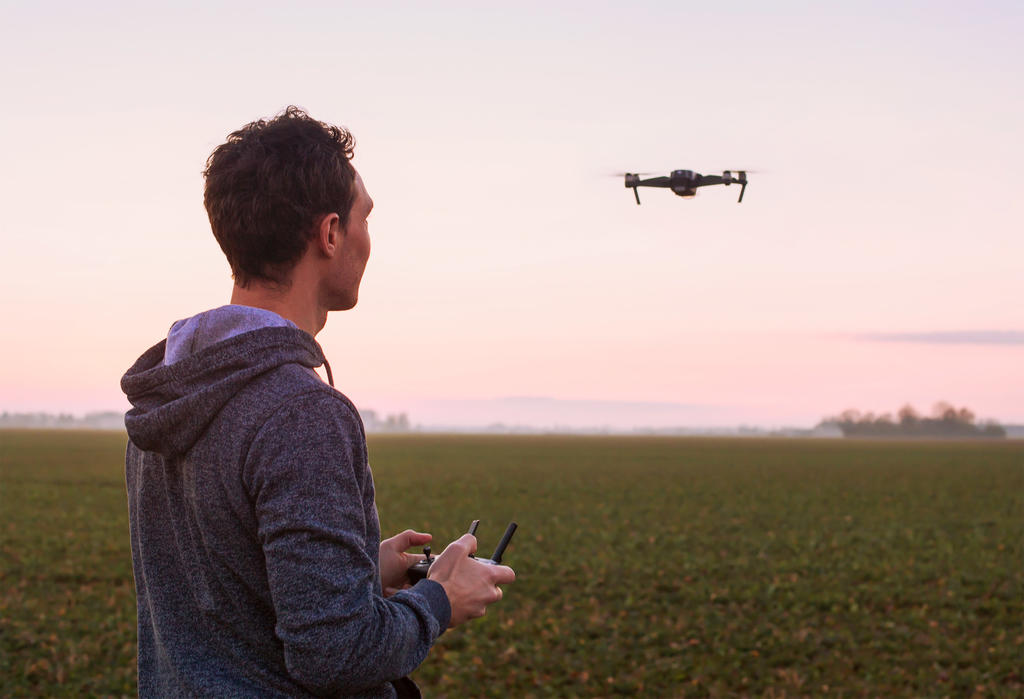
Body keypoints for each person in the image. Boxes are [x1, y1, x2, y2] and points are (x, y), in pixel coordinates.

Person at [120, 106, 515, 697]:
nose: (368, 240)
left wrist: (354, 575)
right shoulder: (302, 412)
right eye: (364, 218)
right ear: (330, 234)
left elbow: (216, 595)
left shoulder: (171, 389)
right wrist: (440, 598)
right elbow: (337, 654)